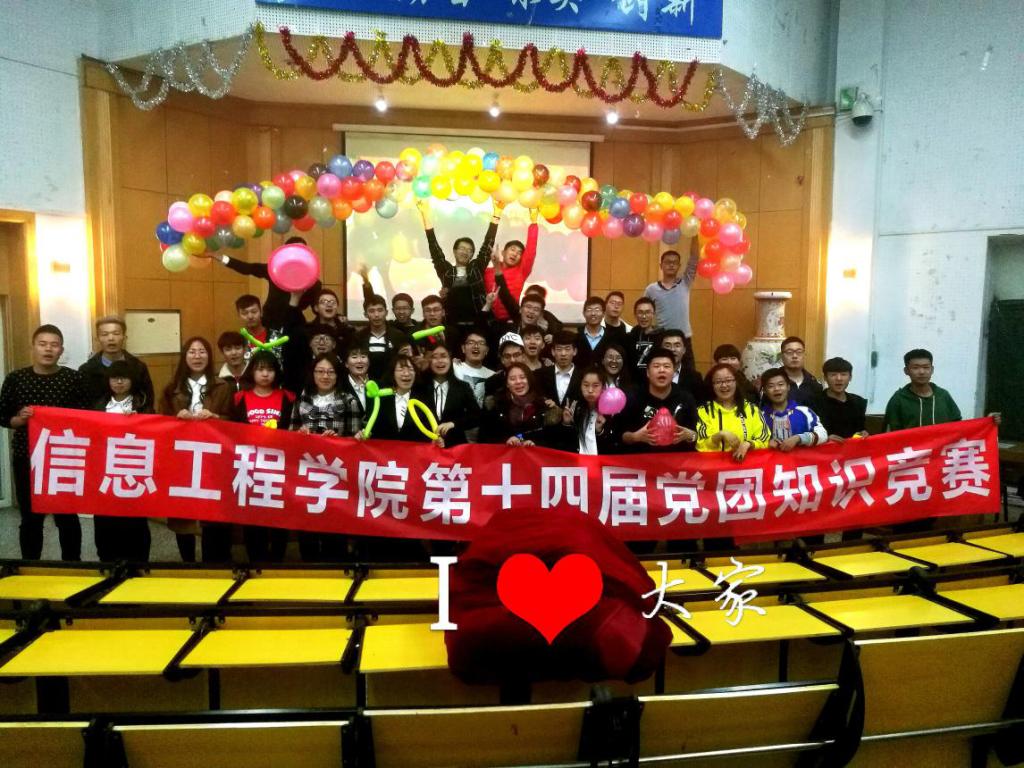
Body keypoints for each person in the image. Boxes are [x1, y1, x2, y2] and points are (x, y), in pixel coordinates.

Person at [0, 324, 88, 560]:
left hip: (64, 457)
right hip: (28, 457)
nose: (48, 349)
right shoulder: (16, 379)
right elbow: (3, 417)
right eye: (42, 344)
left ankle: (73, 566)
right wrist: (20, 419)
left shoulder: (73, 379)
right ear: (33, 347)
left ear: (61, 350)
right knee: (30, 517)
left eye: (54, 345)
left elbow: (86, 416)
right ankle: (30, 567)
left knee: (67, 517)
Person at [159, 336, 234, 563]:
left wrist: (216, 417)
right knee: (183, 513)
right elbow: (159, 422)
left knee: (213, 511)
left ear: (209, 357)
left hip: (213, 458)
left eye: (202, 351)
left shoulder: (223, 386)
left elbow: (234, 422)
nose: (197, 356)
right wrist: (175, 418)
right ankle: (188, 563)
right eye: (192, 352)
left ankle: (214, 562)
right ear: (185, 356)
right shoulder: (171, 388)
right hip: (182, 458)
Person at [291, 353, 362, 562]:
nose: (325, 376)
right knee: (307, 527)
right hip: (306, 473)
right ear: (312, 374)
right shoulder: (302, 398)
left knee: (335, 526)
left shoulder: (349, 400)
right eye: (320, 371)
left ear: (338, 375)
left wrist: (338, 441)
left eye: (331, 372)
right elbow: (289, 433)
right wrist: (299, 434)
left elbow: (357, 440)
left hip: (336, 474)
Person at [232, 350, 296, 563]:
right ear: (252, 372)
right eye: (260, 369)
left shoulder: (288, 397)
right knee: (253, 516)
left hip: (280, 466)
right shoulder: (240, 398)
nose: (265, 374)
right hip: (249, 467)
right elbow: (232, 432)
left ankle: (277, 559)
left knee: (279, 515)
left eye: (270, 369)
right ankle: (256, 559)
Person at [90, 360, 153, 562]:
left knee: (134, 518)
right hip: (105, 470)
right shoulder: (99, 404)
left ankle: (138, 561)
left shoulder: (142, 404)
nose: (118, 382)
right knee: (104, 518)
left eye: (123, 378)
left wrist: (138, 421)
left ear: (132, 380)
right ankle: (107, 560)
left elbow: (153, 434)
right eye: (114, 378)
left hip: (133, 469)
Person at [419, 198, 504, 327]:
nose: (465, 252)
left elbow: (487, 244)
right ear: (454, 251)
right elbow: (434, 247)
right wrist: (425, 214)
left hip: (479, 322)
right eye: (462, 248)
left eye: (470, 250)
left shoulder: (476, 267)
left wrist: (497, 214)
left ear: (472, 255)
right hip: (453, 325)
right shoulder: (447, 271)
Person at [211, 235, 322, 327]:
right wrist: (221, 257)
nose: (298, 255)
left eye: (302, 251)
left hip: (294, 324)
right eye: (294, 251)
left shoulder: (314, 283)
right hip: (270, 321)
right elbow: (247, 268)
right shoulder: (274, 270)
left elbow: (318, 309)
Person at [619, 349, 698, 453]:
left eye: (666, 366)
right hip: (642, 458)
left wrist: (690, 435)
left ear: (674, 372)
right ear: (648, 372)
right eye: (656, 366)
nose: (662, 370)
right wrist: (635, 437)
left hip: (677, 459)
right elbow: (621, 436)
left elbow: (696, 435)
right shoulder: (633, 397)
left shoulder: (686, 398)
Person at [696, 362, 771, 461]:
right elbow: (701, 445)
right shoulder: (704, 411)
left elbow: (764, 439)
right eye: (718, 382)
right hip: (714, 467)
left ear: (736, 382)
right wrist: (720, 435)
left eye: (728, 380)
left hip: (748, 466)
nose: (724, 385)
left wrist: (749, 444)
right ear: (712, 385)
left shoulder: (752, 409)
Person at [644, 239, 699, 369]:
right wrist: (649, 328)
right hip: (662, 339)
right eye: (668, 262)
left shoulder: (685, 283)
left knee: (689, 373)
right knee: (662, 372)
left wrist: (695, 235)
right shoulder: (651, 289)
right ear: (661, 265)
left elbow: (694, 259)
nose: (671, 265)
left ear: (679, 266)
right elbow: (644, 311)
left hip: (684, 338)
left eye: (674, 263)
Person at [359, 355, 437, 443]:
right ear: (393, 373)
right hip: (385, 450)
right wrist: (365, 434)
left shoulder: (424, 399)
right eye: (401, 369)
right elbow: (372, 427)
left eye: (410, 369)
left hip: (414, 450)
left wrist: (436, 439)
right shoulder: (381, 399)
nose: (406, 374)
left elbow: (430, 430)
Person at [79, 315, 155, 406]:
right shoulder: (86, 370)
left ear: (124, 337)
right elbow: (82, 404)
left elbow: (148, 400)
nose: (111, 338)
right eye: (105, 334)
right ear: (97, 339)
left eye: (116, 333)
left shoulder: (138, 367)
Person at [481, 363, 560, 447]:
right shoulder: (496, 404)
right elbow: (486, 437)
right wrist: (506, 440)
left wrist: (535, 443)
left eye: (522, 377)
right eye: (512, 379)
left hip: (534, 454)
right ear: (507, 384)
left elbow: (552, 439)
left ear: (529, 380)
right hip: (504, 453)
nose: (518, 382)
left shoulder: (543, 404)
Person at [417, 343, 481, 447]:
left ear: (450, 359)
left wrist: (453, 424)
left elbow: (476, 416)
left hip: (456, 447)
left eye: (443, 356)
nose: (439, 361)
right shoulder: (420, 387)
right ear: (429, 361)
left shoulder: (462, 387)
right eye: (434, 357)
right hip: (426, 446)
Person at [883, 349, 962, 430]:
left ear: (932, 370)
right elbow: (891, 431)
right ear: (906, 371)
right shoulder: (898, 399)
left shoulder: (943, 396)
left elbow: (957, 425)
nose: (921, 372)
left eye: (926, 367)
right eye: (915, 368)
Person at [483, 209, 539, 322]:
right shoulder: (487, 271)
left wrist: (534, 223)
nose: (515, 254)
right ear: (503, 252)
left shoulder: (521, 271)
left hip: (510, 319)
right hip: (488, 318)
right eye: (512, 249)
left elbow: (531, 251)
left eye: (519, 253)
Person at [760, 367, 828, 450]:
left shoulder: (805, 411)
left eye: (780, 384)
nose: (776, 389)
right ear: (765, 391)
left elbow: (823, 435)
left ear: (788, 387)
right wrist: (766, 443)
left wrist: (799, 438)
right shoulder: (759, 416)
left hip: (802, 458)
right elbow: (752, 440)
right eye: (771, 386)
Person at [559, 367, 616, 455]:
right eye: (586, 385)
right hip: (576, 460)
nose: (590, 390)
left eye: (595, 386)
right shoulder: (573, 408)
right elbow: (563, 443)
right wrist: (566, 423)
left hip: (600, 461)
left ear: (603, 387)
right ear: (580, 386)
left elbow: (612, 446)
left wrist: (600, 431)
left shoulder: (609, 411)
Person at [812, 357, 869, 441]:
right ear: (825, 378)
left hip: (852, 448)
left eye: (843, 374)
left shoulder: (858, 402)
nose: (839, 378)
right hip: (826, 448)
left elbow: (861, 428)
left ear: (850, 377)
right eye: (833, 375)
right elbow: (809, 433)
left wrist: (864, 432)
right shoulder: (813, 403)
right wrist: (825, 438)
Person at [353, 294, 407, 382]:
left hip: (392, 382)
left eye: (380, 310)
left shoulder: (398, 336)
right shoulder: (359, 337)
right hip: (365, 382)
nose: (376, 315)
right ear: (365, 314)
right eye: (371, 311)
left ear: (386, 312)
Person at [576, 296, 627, 368]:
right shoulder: (576, 338)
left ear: (603, 313)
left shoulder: (612, 338)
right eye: (589, 310)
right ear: (584, 313)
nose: (593, 313)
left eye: (597, 310)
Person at [659, 329, 706, 403]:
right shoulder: (651, 375)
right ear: (661, 349)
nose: (672, 349)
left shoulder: (695, 378)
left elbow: (700, 405)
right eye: (668, 346)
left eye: (677, 345)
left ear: (684, 350)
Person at [453, 329, 495, 412]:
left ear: (486, 350)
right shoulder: (454, 367)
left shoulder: (493, 375)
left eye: (481, 343)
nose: (476, 346)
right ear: (463, 348)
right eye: (471, 342)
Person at [538, 329, 581, 408]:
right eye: (559, 349)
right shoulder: (541, 375)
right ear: (553, 352)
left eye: (567, 349)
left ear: (575, 351)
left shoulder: (582, 376)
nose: (563, 354)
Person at [779, 336, 823, 406]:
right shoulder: (773, 381)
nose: (794, 356)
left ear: (804, 355)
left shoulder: (814, 384)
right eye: (789, 352)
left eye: (799, 352)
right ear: (782, 356)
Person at [484, 332, 527, 401]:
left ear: (524, 356)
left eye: (516, 355)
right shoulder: (491, 382)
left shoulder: (535, 378)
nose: (512, 360)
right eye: (507, 356)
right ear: (502, 359)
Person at [309, 288, 354, 352]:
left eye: (333, 302)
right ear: (316, 308)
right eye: (324, 302)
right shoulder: (308, 331)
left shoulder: (348, 331)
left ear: (337, 307)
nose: (329, 305)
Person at [627, 297, 660, 373]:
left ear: (653, 314)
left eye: (647, 312)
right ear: (635, 314)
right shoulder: (629, 337)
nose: (644, 316)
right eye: (640, 312)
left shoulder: (661, 337)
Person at [339, 344, 371, 415]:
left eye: (363, 356)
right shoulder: (339, 386)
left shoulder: (380, 385)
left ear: (369, 362)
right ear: (346, 364)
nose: (359, 361)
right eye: (354, 357)